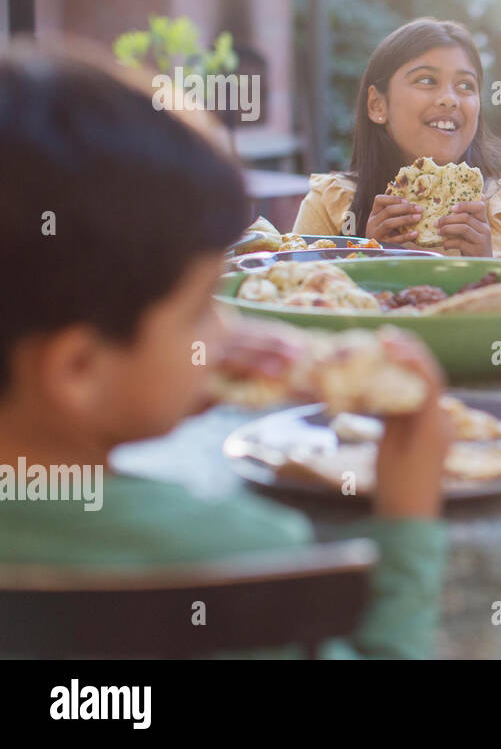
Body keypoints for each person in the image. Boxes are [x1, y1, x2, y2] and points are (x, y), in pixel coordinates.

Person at [0, 45, 453, 658]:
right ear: (77, 368)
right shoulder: (238, 554)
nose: (226, 328)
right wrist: (406, 522)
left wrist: (167, 381)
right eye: (200, 308)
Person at [294, 18, 501, 260]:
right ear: (377, 105)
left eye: (465, 86)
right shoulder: (329, 205)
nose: (450, 99)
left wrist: (483, 268)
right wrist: (367, 257)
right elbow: (295, 297)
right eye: (426, 80)